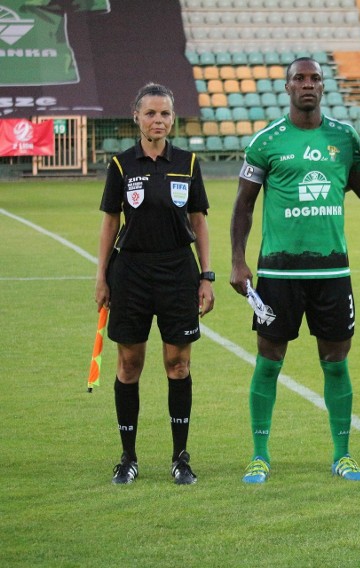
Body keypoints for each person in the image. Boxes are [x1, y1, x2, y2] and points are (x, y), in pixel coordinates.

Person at [230, 57, 360, 484]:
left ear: (323, 86)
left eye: (315, 78)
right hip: (278, 272)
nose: (307, 84)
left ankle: (342, 455)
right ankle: (260, 455)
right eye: (299, 78)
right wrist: (238, 260)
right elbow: (243, 205)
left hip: (332, 270)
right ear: (287, 87)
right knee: (269, 360)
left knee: (336, 362)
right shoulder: (266, 141)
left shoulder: (343, 136)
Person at [95, 83, 214, 485]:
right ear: (136, 117)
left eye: (164, 114)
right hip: (131, 273)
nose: (158, 120)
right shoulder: (121, 165)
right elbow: (111, 220)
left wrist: (206, 275)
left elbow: (199, 219)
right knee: (130, 364)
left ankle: (180, 457)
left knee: (177, 364)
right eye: (151, 113)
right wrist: (102, 277)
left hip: (178, 271)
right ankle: (128, 457)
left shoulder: (188, 162)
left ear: (172, 118)